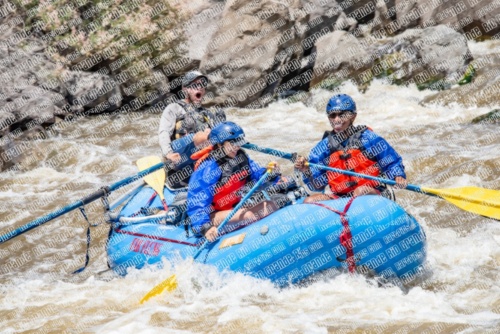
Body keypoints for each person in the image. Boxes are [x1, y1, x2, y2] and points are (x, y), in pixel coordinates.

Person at [294, 94, 408, 203]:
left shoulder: (369, 138)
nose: (337, 120)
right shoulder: (323, 147)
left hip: (373, 192)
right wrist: (306, 171)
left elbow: (392, 162)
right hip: (340, 198)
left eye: (342, 115)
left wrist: (398, 176)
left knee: (359, 192)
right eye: (333, 115)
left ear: (353, 116)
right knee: (309, 200)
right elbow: (317, 186)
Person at [187, 122, 284, 242]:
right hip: (213, 216)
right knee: (248, 215)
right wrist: (205, 227)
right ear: (220, 144)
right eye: (232, 143)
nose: (237, 147)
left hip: (234, 209)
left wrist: (270, 174)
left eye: (238, 143)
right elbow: (196, 203)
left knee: (271, 205)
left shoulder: (241, 158)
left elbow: (257, 178)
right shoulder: (208, 168)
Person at [158, 70, 226, 188]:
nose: (199, 88)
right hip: (179, 155)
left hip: (199, 159)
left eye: (202, 85)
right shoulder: (174, 108)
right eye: (194, 85)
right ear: (185, 89)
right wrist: (168, 153)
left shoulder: (207, 114)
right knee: (202, 135)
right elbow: (163, 132)